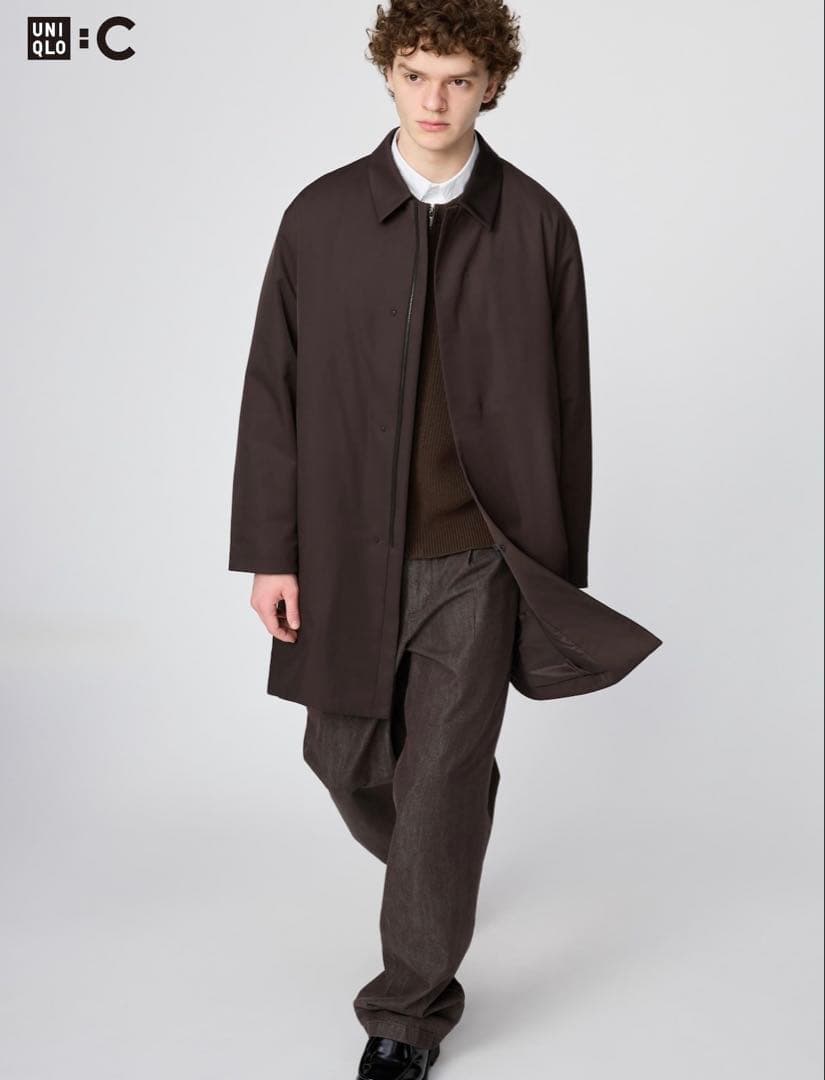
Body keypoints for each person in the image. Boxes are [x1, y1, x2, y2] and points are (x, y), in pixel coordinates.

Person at [228, 2, 662, 1076]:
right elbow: (273, 389)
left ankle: (406, 1015)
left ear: (491, 85)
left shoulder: (537, 225)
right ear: (387, 72)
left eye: (458, 78)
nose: (435, 99)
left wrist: (552, 567)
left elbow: (569, 409)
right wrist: (272, 551)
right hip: (344, 555)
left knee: (437, 784)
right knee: (341, 758)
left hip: (479, 559)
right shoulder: (320, 217)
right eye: (417, 73)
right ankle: (448, 837)